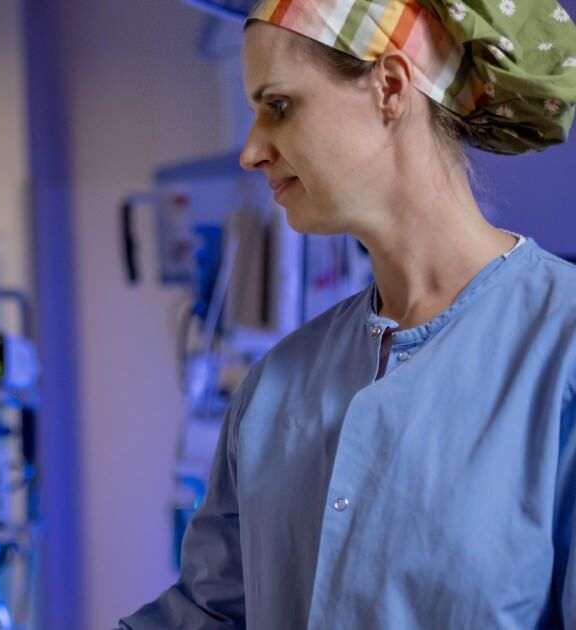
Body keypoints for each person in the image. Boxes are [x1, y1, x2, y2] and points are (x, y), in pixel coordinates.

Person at [121, 0, 576, 627]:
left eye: (278, 106)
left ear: (389, 88)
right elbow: (213, 615)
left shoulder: (561, 349)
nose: (251, 152)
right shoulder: (277, 386)